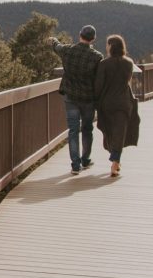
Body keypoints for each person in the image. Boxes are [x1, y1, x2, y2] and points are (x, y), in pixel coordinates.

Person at [50, 25, 103, 174]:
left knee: (73, 130)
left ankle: (75, 165)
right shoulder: (97, 56)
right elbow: (99, 79)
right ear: (93, 39)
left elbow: (57, 46)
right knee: (87, 129)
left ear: (80, 35)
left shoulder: (68, 50)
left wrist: (53, 40)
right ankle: (85, 160)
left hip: (71, 97)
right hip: (88, 99)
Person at [94, 34, 140, 178]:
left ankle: (115, 161)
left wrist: (95, 101)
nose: (106, 47)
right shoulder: (129, 63)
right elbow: (127, 82)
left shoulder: (103, 64)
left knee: (110, 131)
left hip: (107, 103)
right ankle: (116, 159)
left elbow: (98, 86)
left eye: (108, 44)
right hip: (124, 103)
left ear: (111, 46)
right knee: (120, 132)